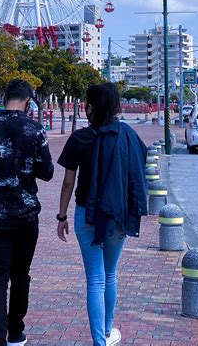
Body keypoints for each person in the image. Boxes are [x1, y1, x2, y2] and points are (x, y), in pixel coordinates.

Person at [57, 83, 148, 346]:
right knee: (110, 274)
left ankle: (99, 340)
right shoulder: (128, 135)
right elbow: (138, 169)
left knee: (95, 279)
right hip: (116, 214)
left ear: (91, 107)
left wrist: (61, 216)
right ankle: (108, 331)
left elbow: (67, 182)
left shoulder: (80, 138)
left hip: (86, 215)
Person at [0, 79, 54, 346]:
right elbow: (48, 172)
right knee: (20, 274)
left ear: (4, 98)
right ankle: (16, 331)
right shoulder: (34, 129)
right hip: (25, 215)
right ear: (28, 101)